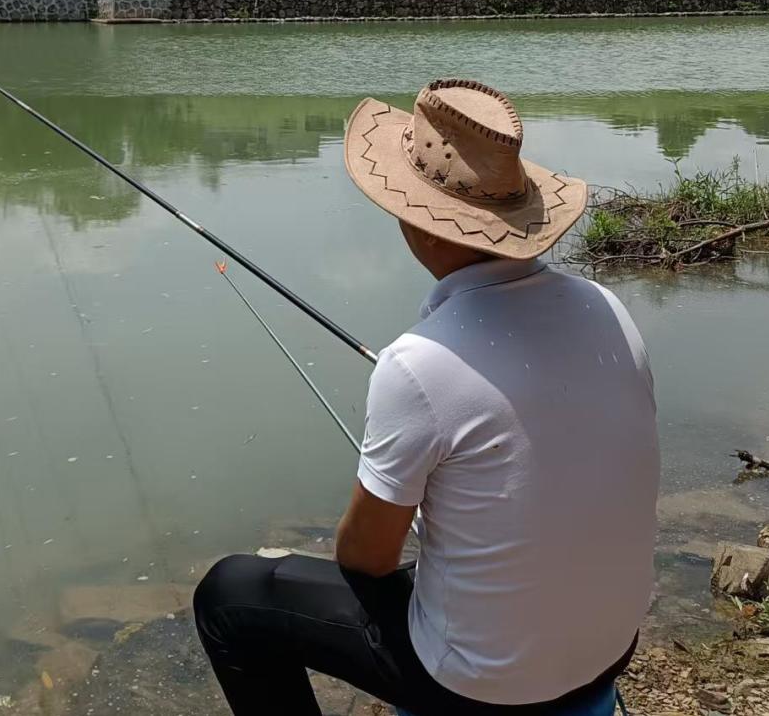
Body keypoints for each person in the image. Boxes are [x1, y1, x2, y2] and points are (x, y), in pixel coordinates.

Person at [195, 80, 659, 715]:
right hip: (610, 649)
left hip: (484, 688)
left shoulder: (418, 365)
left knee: (231, 595)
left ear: (427, 227)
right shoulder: (608, 308)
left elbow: (365, 559)